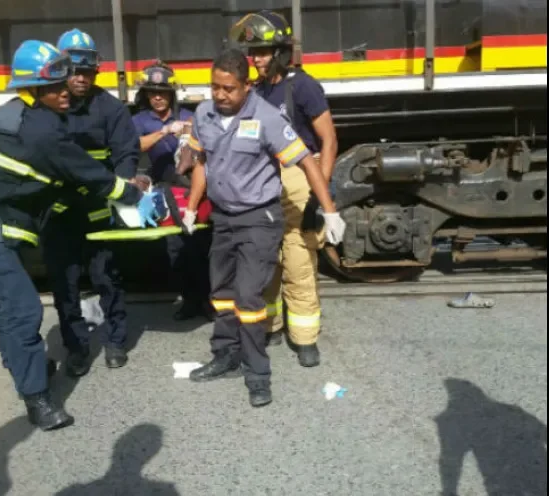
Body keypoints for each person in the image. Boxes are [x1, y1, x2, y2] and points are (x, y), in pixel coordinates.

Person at [0, 40, 160, 430]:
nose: (67, 88)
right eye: (56, 85)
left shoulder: (34, 113)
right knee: (23, 307)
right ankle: (37, 399)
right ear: (33, 89)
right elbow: (89, 175)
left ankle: (27, 366)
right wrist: (132, 192)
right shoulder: (42, 132)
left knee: (9, 304)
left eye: (68, 79)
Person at [182, 48, 346, 407]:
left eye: (229, 89)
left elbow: (307, 161)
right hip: (223, 217)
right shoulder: (203, 113)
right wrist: (192, 207)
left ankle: (258, 374)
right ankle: (226, 355)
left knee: (249, 297)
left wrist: (329, 210)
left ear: (246, 86)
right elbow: (199, 161)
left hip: (259, 218)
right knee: (221, 292)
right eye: (215, 87)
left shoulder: (268, 117)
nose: (220, 95)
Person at [229, 10, 339, 367]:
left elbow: (329, 141)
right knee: (267, 262)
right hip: (264, 181)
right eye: (253, 53)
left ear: (279, 52)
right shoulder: (257, 89)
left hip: (297, 178)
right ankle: (272, 326)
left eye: (262, 52)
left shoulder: (302, 86)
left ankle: (305, 338)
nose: (255, 59)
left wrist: (316, 197)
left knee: (298, 261)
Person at [42, 28, 143, 377]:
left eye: (86, 71)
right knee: (65, 284)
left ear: (95, 72)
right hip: (59, 212)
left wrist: (127, 181)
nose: (80, 78)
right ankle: (77, 348)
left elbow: (127, 152)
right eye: (73, 71)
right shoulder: (48, 109)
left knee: (107, 278)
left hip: (99, 210)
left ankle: (115, 341)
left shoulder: (110, 109)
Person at [131, 60, 214, 321]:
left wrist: (191, 132)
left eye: (163, 92)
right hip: (167, 190)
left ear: (171, 94)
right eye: (152, 92)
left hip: (196, 188)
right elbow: (134, 146)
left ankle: (210, 300)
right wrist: (165, 130)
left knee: (204, 243)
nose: (158, 97)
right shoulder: (140, 120)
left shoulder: (190, 115)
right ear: (145, 95)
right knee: (176, 247)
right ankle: (190, 300)